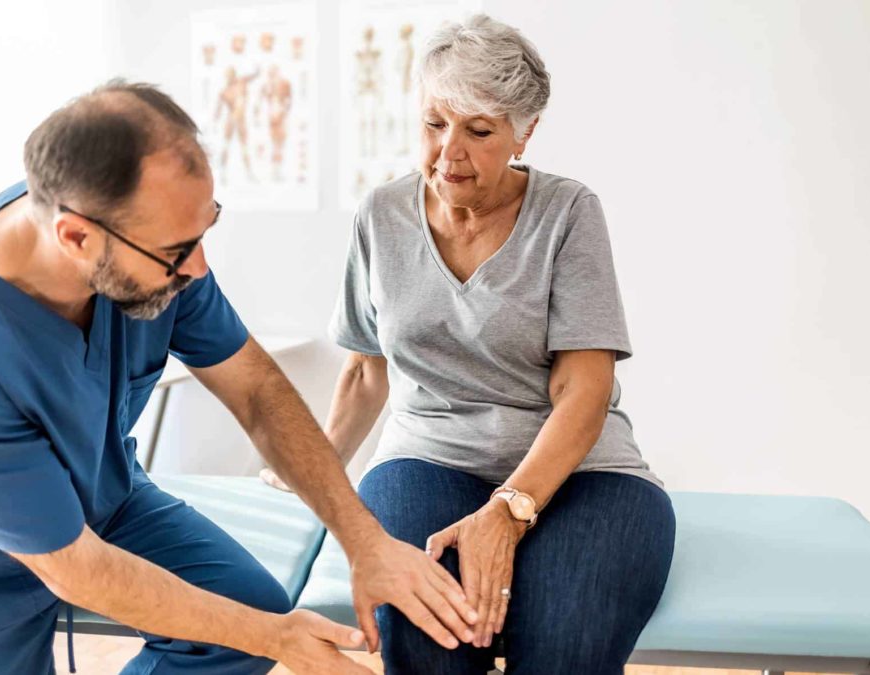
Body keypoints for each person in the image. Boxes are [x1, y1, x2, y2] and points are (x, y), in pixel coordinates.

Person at [0, 79, 478, 675]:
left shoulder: (153, 247)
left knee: (244, 610)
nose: (198, 268)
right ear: (77, 237)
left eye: (205, 230)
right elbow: (74, 566)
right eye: (177, 252)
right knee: (258, 625)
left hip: (99, 498)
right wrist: (277, 638)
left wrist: (364, 541)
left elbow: (254, 388)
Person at [262, 15, 676, 674]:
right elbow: (366, 374)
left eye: (478, 130)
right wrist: (313, 471)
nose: (448, 152)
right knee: (431, 643)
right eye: (433, 123)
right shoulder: (382, 215)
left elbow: (584, 388)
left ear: (524, 132)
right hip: (426, 458)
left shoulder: (568, 213)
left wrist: (507, 513)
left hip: (582, 475)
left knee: (563, 649)